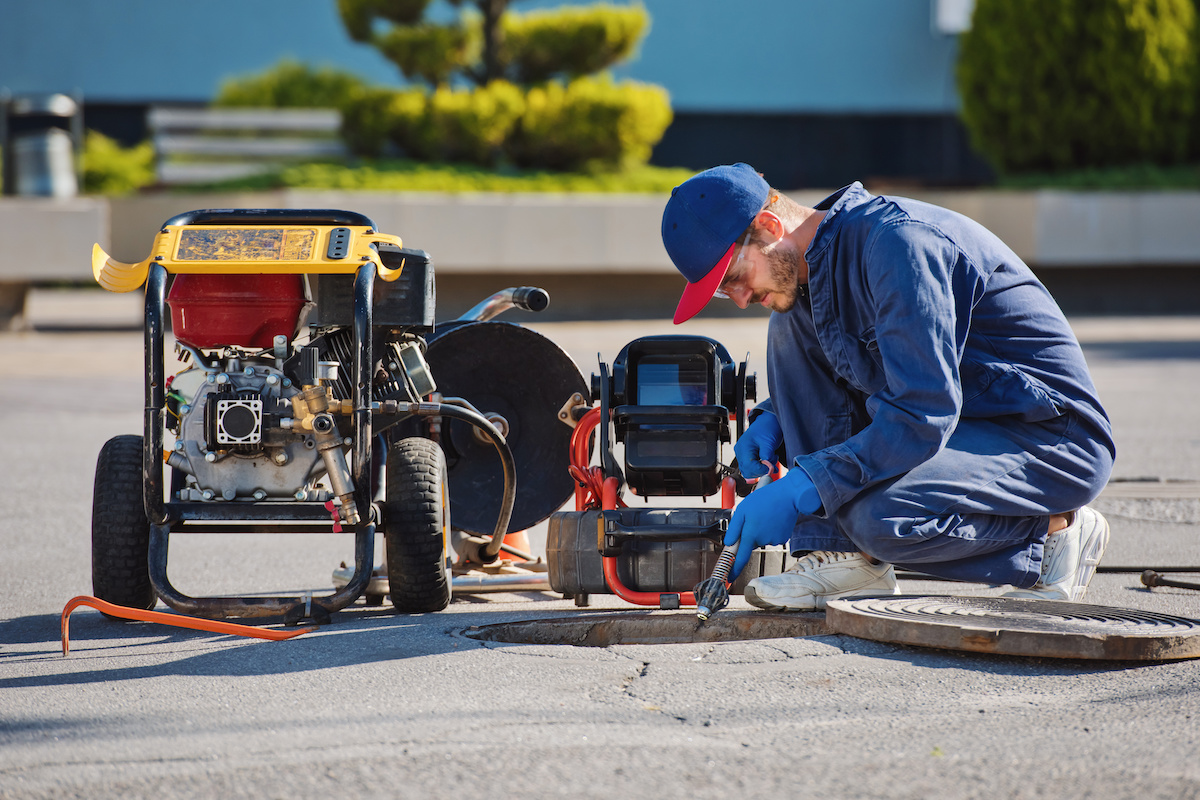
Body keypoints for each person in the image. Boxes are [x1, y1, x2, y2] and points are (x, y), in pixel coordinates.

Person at [660, 163, 1115, 610]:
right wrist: (776, 417)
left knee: (881, 519)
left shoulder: (898, 245)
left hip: (1049, 436)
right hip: (964, 422)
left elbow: (923, 412)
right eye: (723, 291)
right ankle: (846, 560)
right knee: (788, 318)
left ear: (768, 225)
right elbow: (863, 370)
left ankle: (1057, 533)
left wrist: (808, 483)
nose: (738, 299)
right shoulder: (811, 268)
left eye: (733, 279)